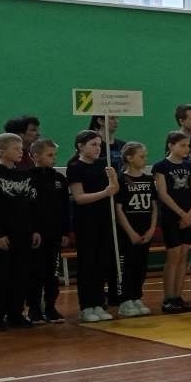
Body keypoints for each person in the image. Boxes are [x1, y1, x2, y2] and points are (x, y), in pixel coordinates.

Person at [0, 132, 38, 330]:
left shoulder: (24, 174)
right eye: (15, 148)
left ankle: (16, 313)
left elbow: (31, 204)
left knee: (20, 275)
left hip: (23, 233)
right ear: (2, 151)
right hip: (2, 235)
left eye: (21, 148)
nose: (20, 152)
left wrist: (34, 230)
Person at [66, 128, 120, 323]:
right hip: (86, 221)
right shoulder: (75, 167)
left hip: (103, 220)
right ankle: (87, 305)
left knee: (101, 263)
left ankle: (99, 302)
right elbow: (79, 198)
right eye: (93, 144)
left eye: (99, 144)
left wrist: (113, 177)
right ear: (81, 146)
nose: (98, 148)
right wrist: (105, 192)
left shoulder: (102, 165)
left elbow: (114, 190)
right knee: (87, 264)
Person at [153, 130, 191, 314]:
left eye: (188, 145)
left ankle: (178, 296)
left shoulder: (190, 167)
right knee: (173, 255)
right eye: (182, 145)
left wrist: (190, 213)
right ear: (171, 146)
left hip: (189, 215)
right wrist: (181, 213)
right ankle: (168, 297)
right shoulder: (161, 166)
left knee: (184, 255)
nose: (186, 148)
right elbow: (163, 193)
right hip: (172, 216)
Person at [26, 137, 69, 323]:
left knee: (53, 274)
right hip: (36, 235)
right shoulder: (27, 178)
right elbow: (26, 208)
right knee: (35, 273)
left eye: (55, 155)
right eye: (49, 155)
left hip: (55, 234)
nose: (54, 158)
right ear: (35, 156)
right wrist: (32, 229)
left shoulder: (59, 179)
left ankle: (51, 307)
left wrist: (65, 231)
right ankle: (34, 309)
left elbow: (65, 207)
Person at [114, 141, 158, 318]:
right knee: (129, 266)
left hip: (145, 229)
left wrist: (152, 228)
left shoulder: (148, 179)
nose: (144, 159)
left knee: (141, 265)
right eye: (141, 156)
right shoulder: (121, 179)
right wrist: (130, 231)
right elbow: (118, 209)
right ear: (129, 158)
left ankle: (136, 296)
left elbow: (154, 206)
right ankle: (125, 300)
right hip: (128, 231)